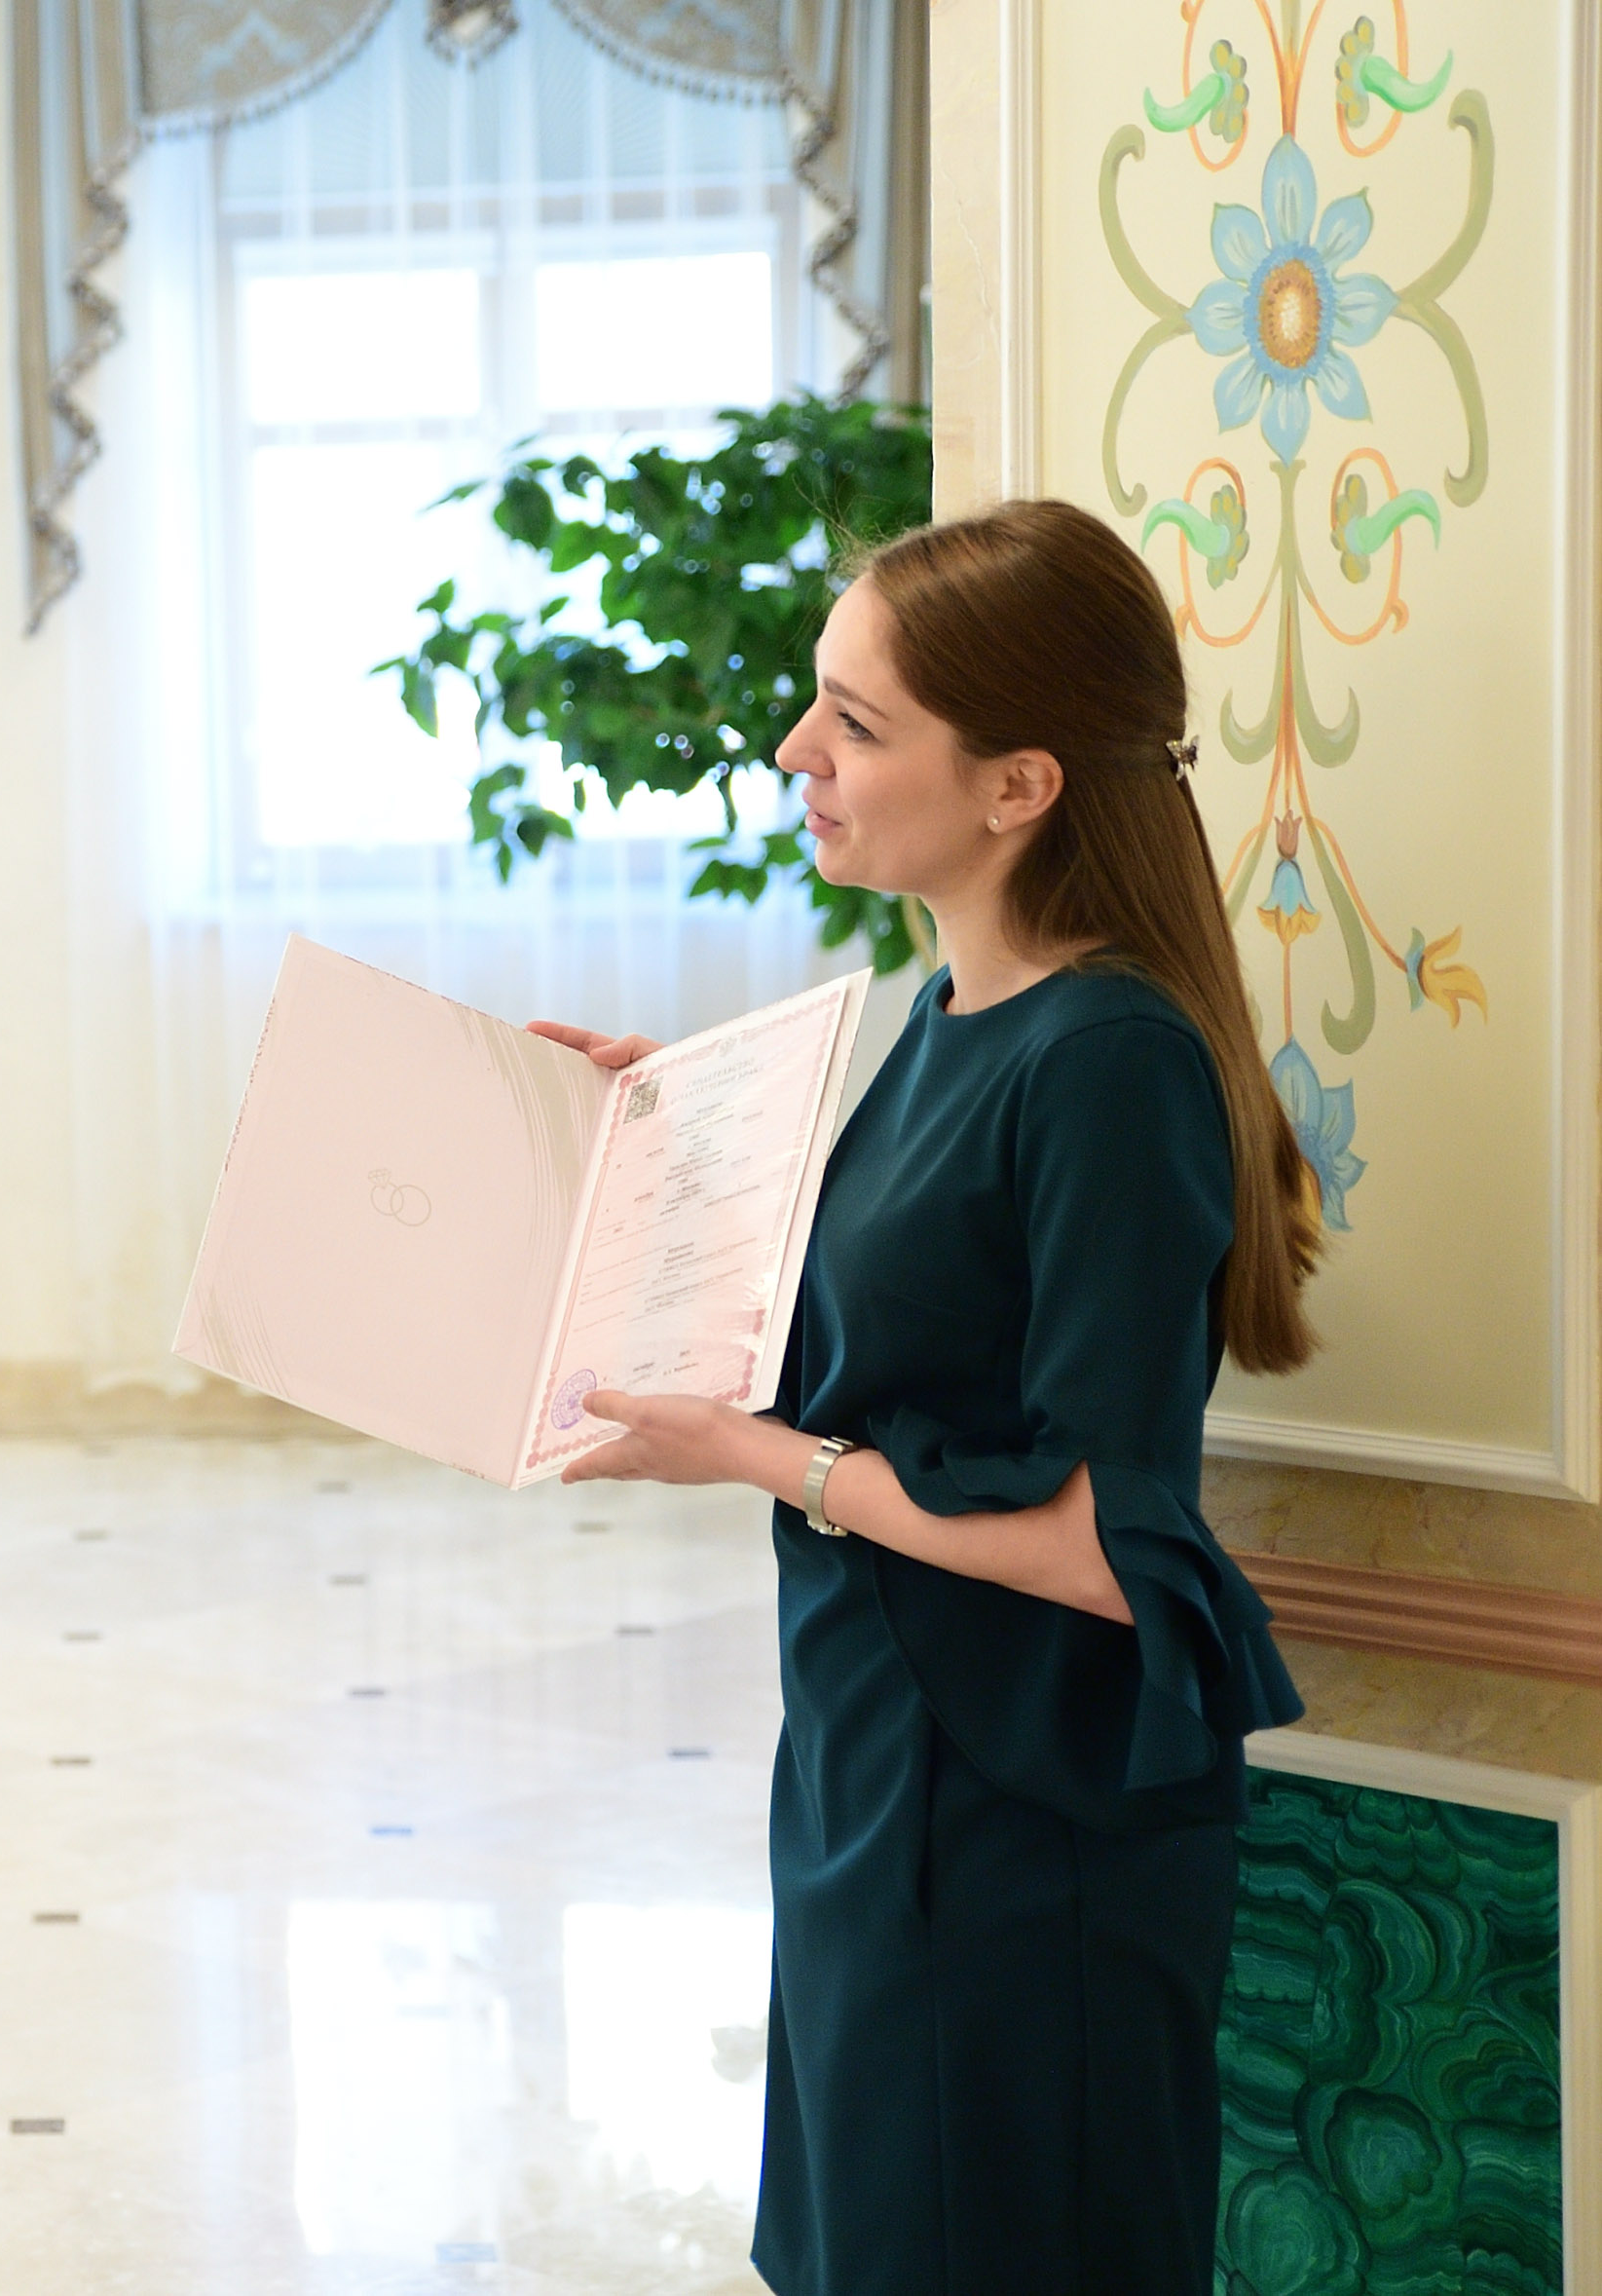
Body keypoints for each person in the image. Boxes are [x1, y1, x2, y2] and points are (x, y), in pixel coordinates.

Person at [541, 498, 1312, 2294]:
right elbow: (903, 1323)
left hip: (1019, 1825)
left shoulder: (1107, 1058)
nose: (793, 752)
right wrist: (686, 1139)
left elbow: (1103, 1545)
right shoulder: (942, 1009)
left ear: (1020, 783)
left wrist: (760, 1459)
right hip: (879, 1767)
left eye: (857, 721)